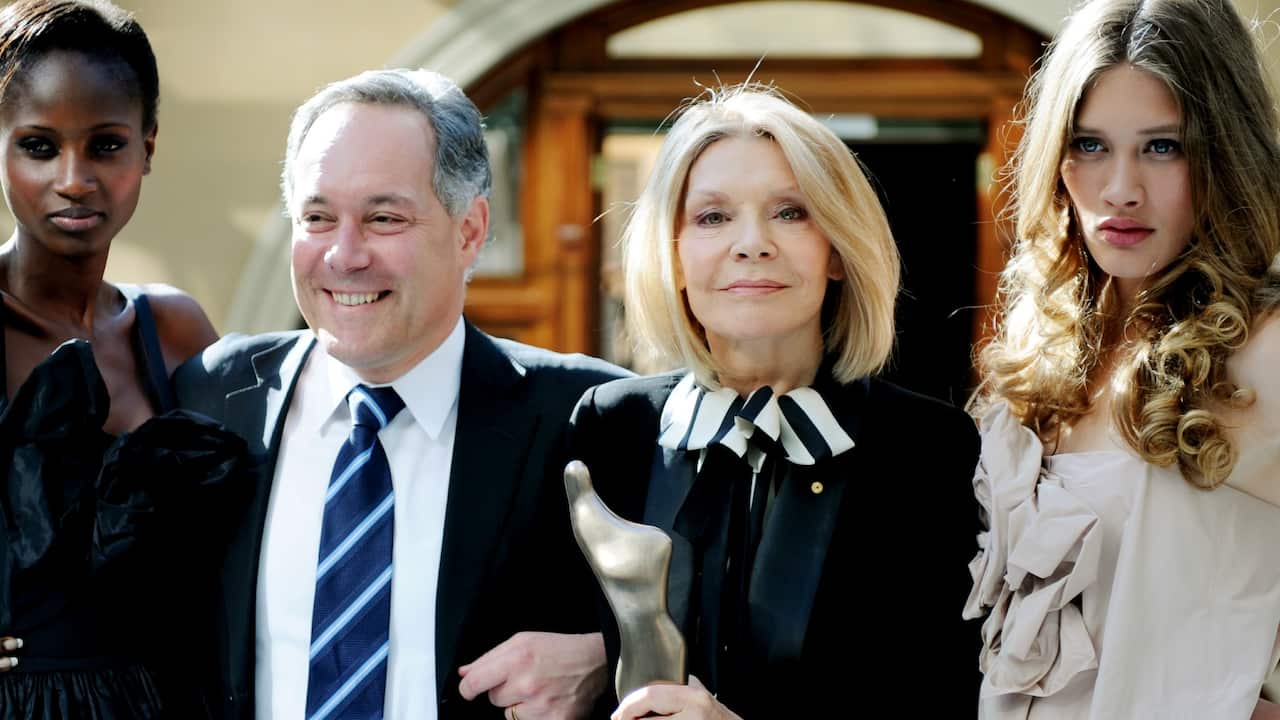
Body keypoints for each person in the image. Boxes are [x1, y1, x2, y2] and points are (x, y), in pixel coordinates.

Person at [173, 67, 627, 720]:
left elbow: (716, 635)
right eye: (318, 217)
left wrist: (604, 660)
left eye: (384, 218)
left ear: (470, 230)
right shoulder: (214, 393)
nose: (344, 254)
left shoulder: (589, 418)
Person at [566, 84, 981, 719]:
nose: (751, 242)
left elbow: (948, 698)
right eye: (711, 217)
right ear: (673, 255)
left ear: (838, 251)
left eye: (790, 212)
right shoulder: (610, 429)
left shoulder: (931, 447)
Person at [965, 0, 1280, 717]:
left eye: (1163, 147)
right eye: (1090, 144)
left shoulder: (1262, 349)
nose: (1121, 190)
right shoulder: (1040, 350)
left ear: (1225, 155)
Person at [0, 0, 245, 716]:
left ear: (148, 147)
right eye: (39, 146)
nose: (74, 179)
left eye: (105, 145)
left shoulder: (174, 328)